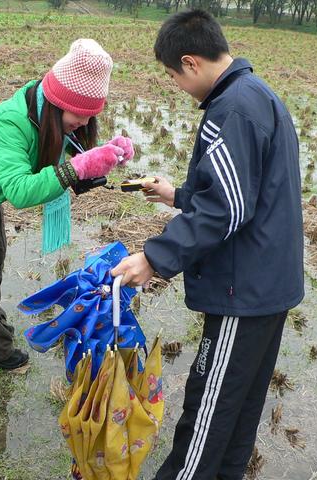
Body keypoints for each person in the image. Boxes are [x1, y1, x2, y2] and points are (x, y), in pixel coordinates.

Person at [111, 10, 304, 480]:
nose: (175, 84)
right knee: (237, 416)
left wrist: (154, 258)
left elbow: (227, 209)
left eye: (172, 74)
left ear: (191, 62)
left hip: (245, 292)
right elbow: (243, 194)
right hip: (266, 287)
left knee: (205, 417)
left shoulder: (231, 110)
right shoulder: (256, 97)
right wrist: (176, 195)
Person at [0, 39, 134, 372]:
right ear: (58, 104)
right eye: (78, 116)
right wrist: (77, 169)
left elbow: (72, 148)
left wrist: (107, 154)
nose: (84, 124)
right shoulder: (14, 122)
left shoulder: (46, 111)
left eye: (90, 117)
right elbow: (20, 192)